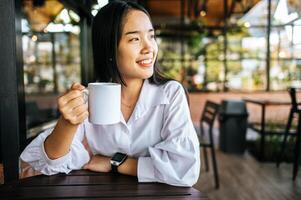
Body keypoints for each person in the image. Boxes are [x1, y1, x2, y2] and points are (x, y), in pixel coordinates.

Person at [20, 0, 200, 187]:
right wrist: (67, 123)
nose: (149, 48)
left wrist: (115, 163)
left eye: (151, 36)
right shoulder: (90, 97)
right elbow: (47, 164)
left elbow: (184, 170)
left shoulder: (170, 93)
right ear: (109, 48)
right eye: (134, 39)